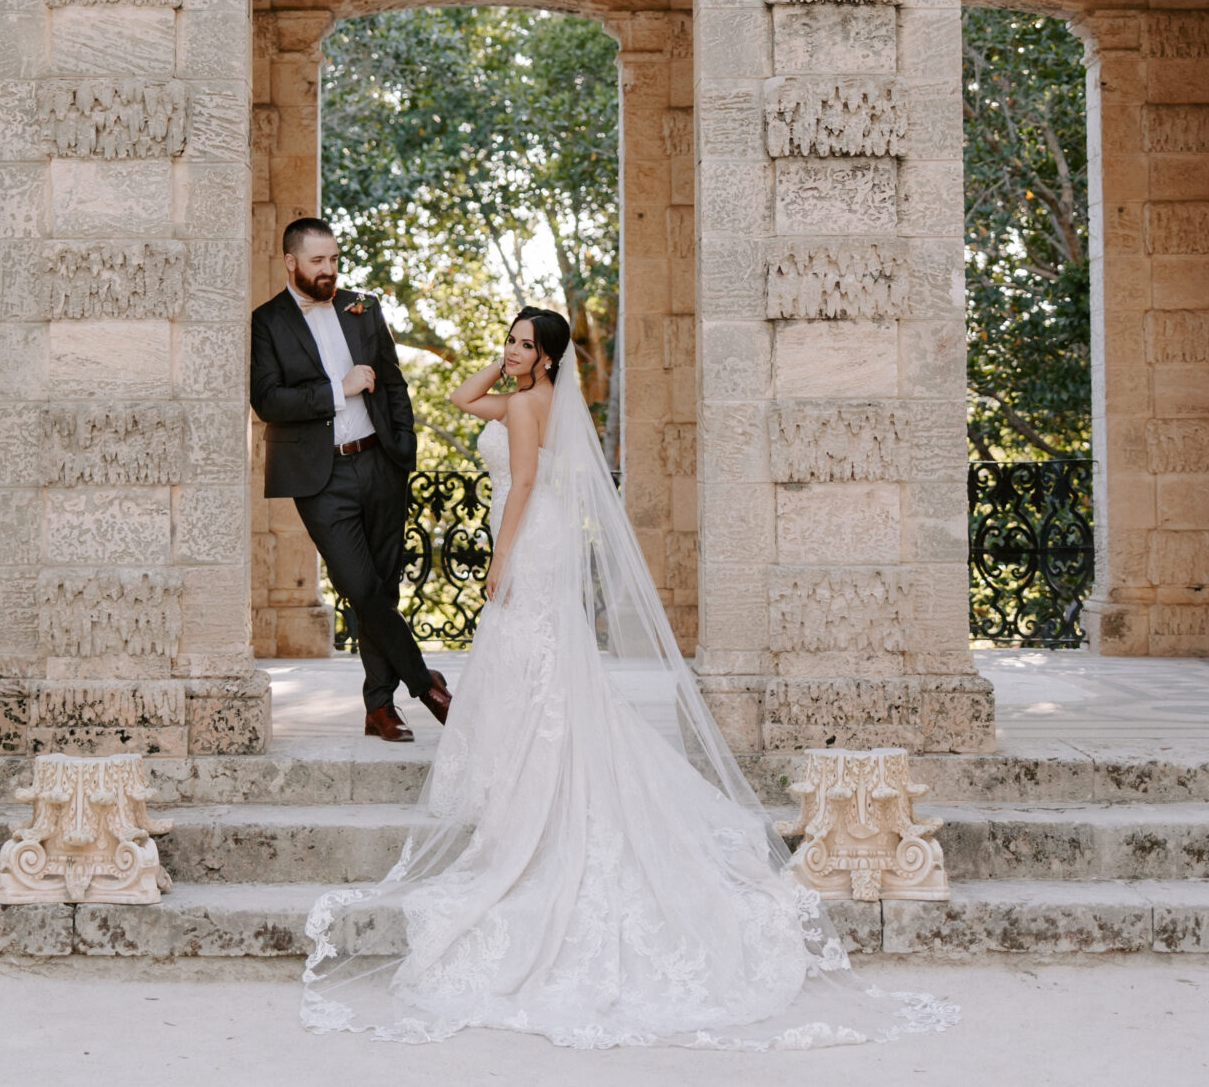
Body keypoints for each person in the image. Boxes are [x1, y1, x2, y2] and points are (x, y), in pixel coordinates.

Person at [300, 306, 960, 1050]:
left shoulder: (523, 404)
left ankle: (534, 800)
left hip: (527, 541)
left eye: (525, 344)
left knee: (530, 665)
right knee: (540, 672)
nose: (511, 353)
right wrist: (509, 359)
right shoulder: (539, 397)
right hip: (543, 540)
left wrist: (499, 561)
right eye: (510, 341)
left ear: (548, 358)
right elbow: (460, 398)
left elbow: (518, 487)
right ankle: (535, 786)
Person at [250, 217, 452, 742]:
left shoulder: (362, 307)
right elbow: (268, 400)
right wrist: (339, 389)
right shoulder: (266, 321)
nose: (329, 270)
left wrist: (403, 448)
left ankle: (379, 709)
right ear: (291, 262)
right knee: (359, 586)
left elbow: (393, 381)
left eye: (335, 259)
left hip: (379, 462)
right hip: (320, 474)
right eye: (318, 261)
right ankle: (425, 683)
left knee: (383, 588)